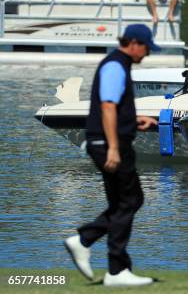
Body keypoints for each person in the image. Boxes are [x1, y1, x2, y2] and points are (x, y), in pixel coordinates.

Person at [64, 24, 159, 287]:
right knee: (130, 201)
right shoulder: (115, 65)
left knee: (124, 202)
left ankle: (85, 241)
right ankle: (116, 271)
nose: (147, 53)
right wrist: (114, 148)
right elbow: (106, 106)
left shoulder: (119, 64)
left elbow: (113, 106)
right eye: (147, 47)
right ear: (134, 43)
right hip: (109, 144)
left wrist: (132, 118)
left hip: (107, 140)